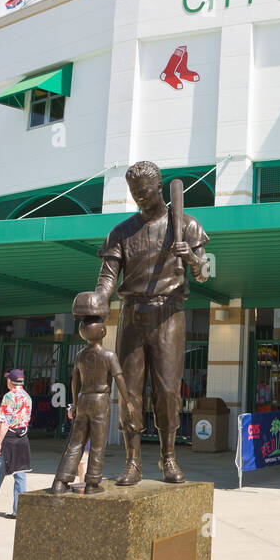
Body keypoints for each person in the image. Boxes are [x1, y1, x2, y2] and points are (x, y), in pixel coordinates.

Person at [92, 160, 210, 485]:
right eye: (135, 195)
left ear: (159, 188)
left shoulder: (185, 224)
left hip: (168, 312)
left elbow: (205, 273)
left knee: (168, 391)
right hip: (131, 313)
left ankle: (168, 457)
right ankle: (132, 461)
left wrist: (191, 257)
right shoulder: (121, 232)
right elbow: (107, 278)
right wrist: (97, 299)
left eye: (145, 192)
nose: (141, 199)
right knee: (129, 392)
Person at [52, 293, 134, 494]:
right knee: (97, 442)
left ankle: (60, 481)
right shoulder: (109, 355)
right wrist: (128, 401)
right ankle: (92, 482)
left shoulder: (80, 355)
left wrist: (75, 402)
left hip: (83, 398)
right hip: (100, 399)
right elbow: (120, 378)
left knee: (75, 441)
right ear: (104, 332)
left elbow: (74, 381)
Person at [0, 369, 33, 519]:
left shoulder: (9, 397)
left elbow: (4, 422)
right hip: (22, 438)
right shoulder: (27, 397)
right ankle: (19, 510)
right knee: (20, 475)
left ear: (10, 381)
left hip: (8, 439)